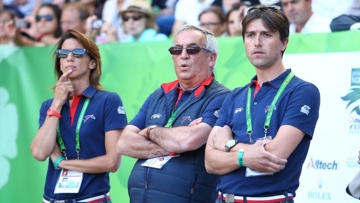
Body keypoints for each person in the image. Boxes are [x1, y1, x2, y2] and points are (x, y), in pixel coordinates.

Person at [205, 4, 320, 203]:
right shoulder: (235, 96)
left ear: (284, 42)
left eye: (266, 35)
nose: (257, 42)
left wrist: (228, 144)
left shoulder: (302, 91)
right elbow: (210, 162)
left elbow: (274, 155)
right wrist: (244, 157)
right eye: (250, 35)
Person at [116, 24, 229, 202]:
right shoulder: (159, 94)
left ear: (211, 58)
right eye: (176, 50)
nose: (183, 55)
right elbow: (123, 143)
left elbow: (189, 140)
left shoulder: (221, 96)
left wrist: (150, 132)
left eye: (192, 49)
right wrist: (174, 145)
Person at [30, 29, 127, 203]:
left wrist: (62, 163)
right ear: (59, 63)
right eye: (64, 53)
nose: (69, 58)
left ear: (92, 63)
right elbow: (39, 152)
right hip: (51, 199)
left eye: (77, 53)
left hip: (92, 198)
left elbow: (112, 162)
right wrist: (57, 104)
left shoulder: (108, 100)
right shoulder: (49, 106)